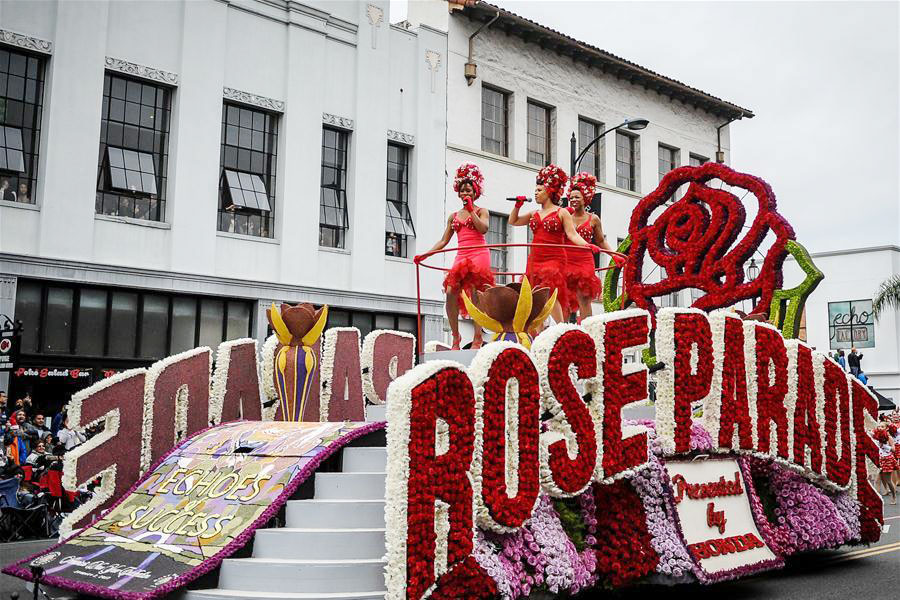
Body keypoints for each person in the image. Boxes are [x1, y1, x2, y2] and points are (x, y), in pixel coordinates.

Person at [509, 164, 599, 326]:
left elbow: (572, 234)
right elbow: (513, 221)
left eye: (539, 191)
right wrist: (517, 206)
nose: (535, 194)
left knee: (549, 290)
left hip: (554, 259)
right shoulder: (533, 213)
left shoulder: (562, 212)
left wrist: (587, 246)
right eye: (535, 191)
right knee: (534, 295)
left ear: (549, 191)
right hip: (535, 259)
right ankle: (539, 332)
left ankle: (560, 327)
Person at [419, 163, 494, 350]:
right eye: (462, 190)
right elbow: (444, 241)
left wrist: (470, 210)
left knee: (477, 295)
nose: (465, 193)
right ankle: (455, 337)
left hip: (479, 254)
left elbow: (483, 229)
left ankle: (477, 337)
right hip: (462, 255)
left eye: (468, 190)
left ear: (475, 191)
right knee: (451, 292)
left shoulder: (481, 211)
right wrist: (425, 255)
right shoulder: (453, 216)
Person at [562, 172, 622, 322]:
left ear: (586, 198)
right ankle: (563, 332)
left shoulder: (593, 219)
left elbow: (601, 241)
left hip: (584, 262)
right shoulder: (565, 215)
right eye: (571, 197)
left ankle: (588, 331)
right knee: (566, 299)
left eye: (577, 197)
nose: (573, 200)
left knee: (584, 298)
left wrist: (614, 255)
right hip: (567, 260)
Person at [874, 427, 897, 504]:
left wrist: (884, 446)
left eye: (882, 427)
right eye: (879, 426)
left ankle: (894, 497)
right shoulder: (877, 437)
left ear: (886, 428)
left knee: (888, 481)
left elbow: (893, 449)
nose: (880, 428)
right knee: (877, 479)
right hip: (880, 459)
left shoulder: (889, 438)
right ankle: (876, 499)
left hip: (888, 460)